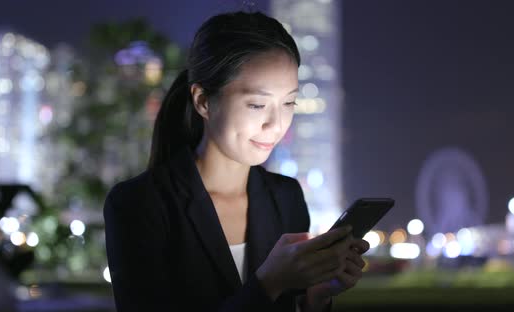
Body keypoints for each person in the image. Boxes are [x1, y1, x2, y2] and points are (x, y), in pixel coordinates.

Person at [103, 11, 369, 312]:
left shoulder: (286, 197)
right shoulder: (139, 204)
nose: (276, 124)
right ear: (203, 101)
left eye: (288, 103)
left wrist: (315, 298)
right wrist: (269, 283)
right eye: (257, 104)